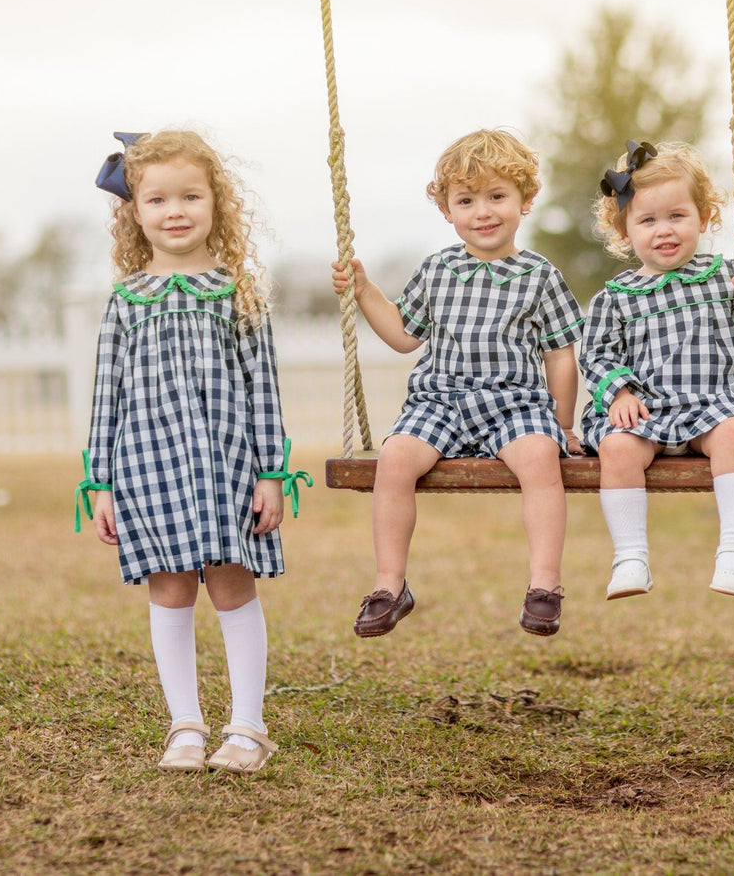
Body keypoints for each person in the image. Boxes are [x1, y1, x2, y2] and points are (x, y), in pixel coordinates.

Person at [75, 130, 309, 774]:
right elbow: (105, 397)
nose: (174, 211)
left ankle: (248, 728)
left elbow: (264, 389)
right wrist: (100, 484)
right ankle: (184, 725)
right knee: (170, 587)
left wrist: (271, 473)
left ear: (216, 203)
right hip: (145, 467)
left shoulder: (237, 292)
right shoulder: (125, 301)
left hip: (227, 466)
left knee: (232, 583)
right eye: (157, 199)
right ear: (134, 211)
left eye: (190, 196)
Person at [331, 129, 583, 638]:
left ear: (525, 200)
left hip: (515, 404)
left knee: (540, 458)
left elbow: (560, 355)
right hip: (439, 403)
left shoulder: (540, 275)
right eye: (466, 201)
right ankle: (389, 585)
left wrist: (562, 425)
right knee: (395, 458)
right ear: (447, 210)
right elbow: (404, 336)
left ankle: (544, 584)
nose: (482, 212)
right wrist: (365, 291)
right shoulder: (437, 269)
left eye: (497, 196)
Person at [578, 141, 734, 601]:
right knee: (617, 448)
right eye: (648, 220)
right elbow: (596, 357)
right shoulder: (615, 297)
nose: (664, 230)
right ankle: (630, 556)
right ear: (624, 230)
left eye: (677, 216)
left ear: (703, 218)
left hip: (710, 408)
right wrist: (620, 394)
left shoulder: (725, 277)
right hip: (646, 413)